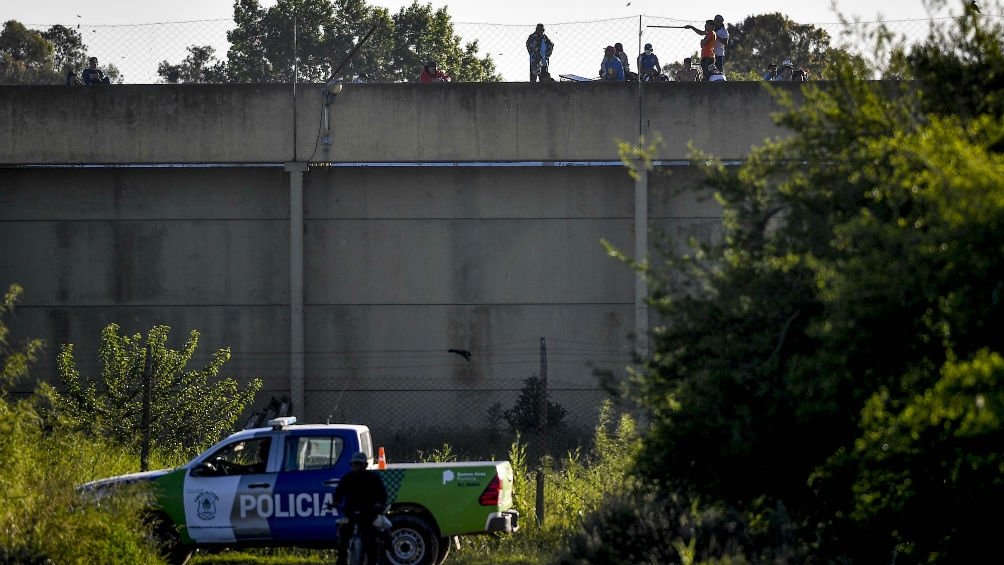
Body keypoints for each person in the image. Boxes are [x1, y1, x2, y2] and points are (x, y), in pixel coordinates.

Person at [334, 452, 388, 565]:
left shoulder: (373, 478)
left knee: (371, 541)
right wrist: (335, 502)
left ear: (365, 465)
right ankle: (342, 560)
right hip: (351, 513)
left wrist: (379, 504)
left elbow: (382, 495)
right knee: (342, 537)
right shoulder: (348, 478)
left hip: (368, 514)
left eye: (359, 464)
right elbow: (339, 492)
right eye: (354, 464)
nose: (356, 466)